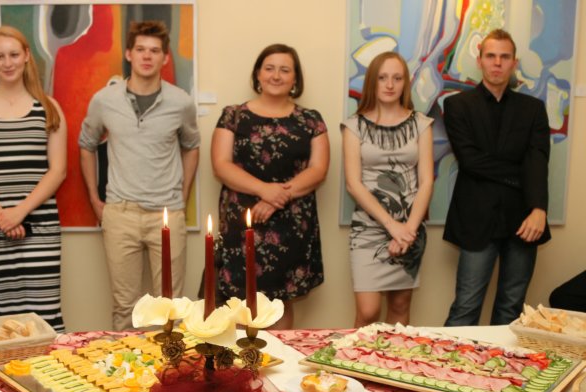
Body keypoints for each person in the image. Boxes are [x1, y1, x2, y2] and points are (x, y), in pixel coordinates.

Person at [79, 21, 200, 331]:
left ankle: (170, 363)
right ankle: (127, 363)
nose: (147, 56)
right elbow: (87, 145)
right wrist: (95, 199)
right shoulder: (104, 100)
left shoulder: (181, 102)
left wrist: (181, 197)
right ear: (129, 54)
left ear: (165, 57)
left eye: (155, 51)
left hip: (167, 214)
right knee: (125, 307)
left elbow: (191, 147)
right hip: (121, 213)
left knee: (170, 307)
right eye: (141, 49)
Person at [211, 43, 329, 329]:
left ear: (295, 78)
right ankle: (242, 359)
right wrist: (265, 191)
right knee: (240, 299)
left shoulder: (311, 119)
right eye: (270, 68)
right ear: (258, 74)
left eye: (285, 70)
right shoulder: (233, 115)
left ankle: (278, 356)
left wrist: (276, 198)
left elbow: (318, 169)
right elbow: (221, 165)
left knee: (280, 300)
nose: (276, 76)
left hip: (291, 223)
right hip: (242, 222)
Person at [0, 26, 67, 331]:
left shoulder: (49, 108)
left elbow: (58, 170)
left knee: (45, 317)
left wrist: (20, 212)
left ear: (27, 56)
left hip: (40, 225)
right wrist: (2, 215)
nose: (7, 63)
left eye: (14, 55)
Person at [443, 29, 551, 326]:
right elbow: (471, 162)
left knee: (511, 309)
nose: (497, 63)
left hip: (525, 220)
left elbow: (538, 161)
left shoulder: (533, 109)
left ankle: (500, 361)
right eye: (491, 56)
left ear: (514, 62)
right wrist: (521, 174)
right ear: (480, 60)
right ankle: (450, 360)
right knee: (466, 307)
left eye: (505, 57)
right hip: (477, 220)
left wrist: (539, 208)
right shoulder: (457, 106)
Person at [341, 52, 434, 327]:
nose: (390, 84)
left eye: (397, 78)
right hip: (369, 228)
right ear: (372, 81)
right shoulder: (354, 126)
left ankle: (393, 356)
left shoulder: (421, 124)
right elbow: (353, 184)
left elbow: (426, 181)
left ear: (406, 83)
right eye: (383, 78)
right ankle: (357, 356)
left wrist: (408, 231)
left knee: (400, 307)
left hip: (410, 228)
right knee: (368, 312)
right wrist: (392, 226)